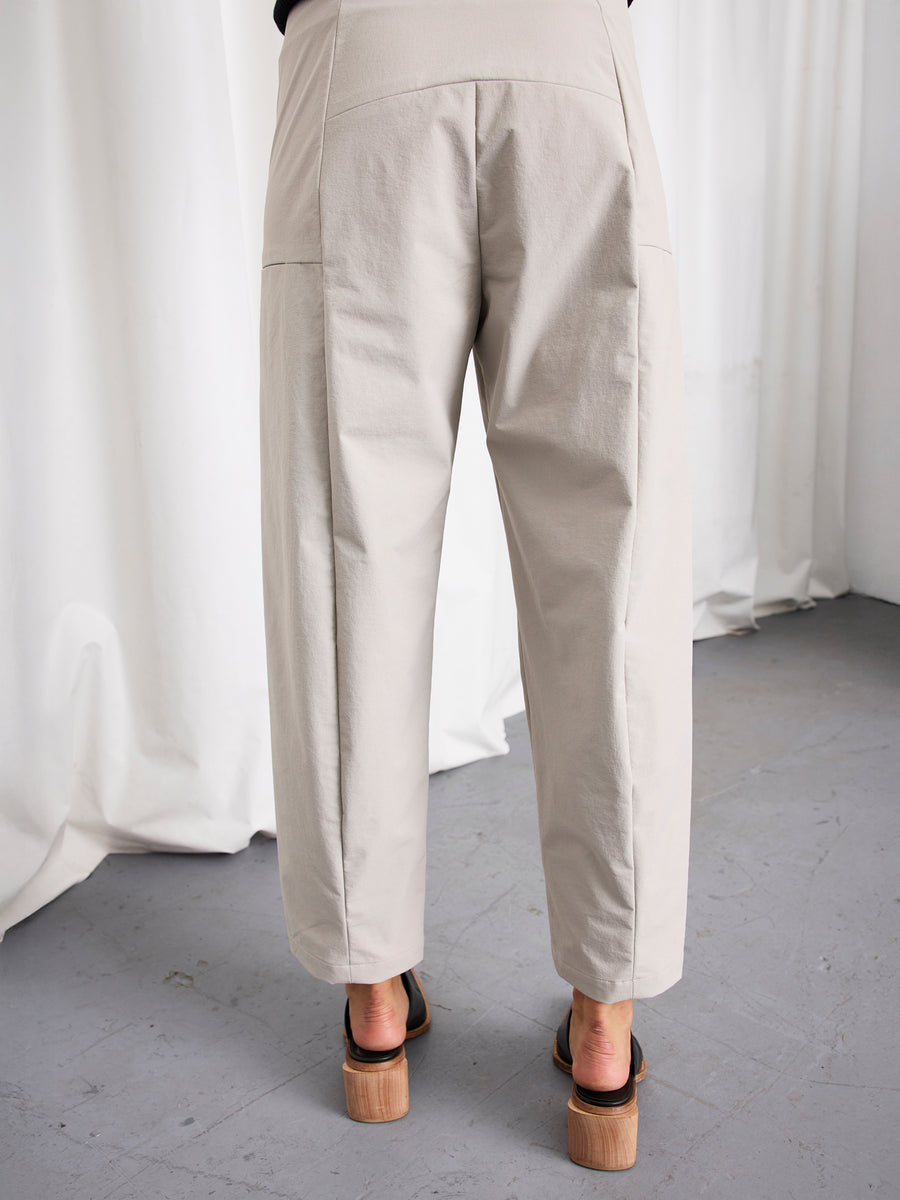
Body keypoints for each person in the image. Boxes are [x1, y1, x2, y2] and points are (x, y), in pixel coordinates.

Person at [259, 0, 693, 1172]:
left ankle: (374, 1004)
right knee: (613, 559)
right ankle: (605, 1024)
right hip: (569, 56)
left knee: (348, 538)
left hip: (363, 51)